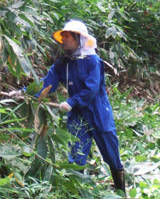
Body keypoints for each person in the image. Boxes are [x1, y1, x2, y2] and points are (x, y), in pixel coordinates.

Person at [9, 20, 125, 193]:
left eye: (67, 36)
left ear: (79, 38)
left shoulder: (93, 61)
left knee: (110, 151)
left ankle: (121, 189)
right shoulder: (62, 63)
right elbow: (47, 84)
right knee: (76, 155)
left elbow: (92, 89)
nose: (63, 39)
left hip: (98, 112)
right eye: (62, 36)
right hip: (77, 114)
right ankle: (77, 191)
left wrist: (71, 102)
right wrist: (24, 92)